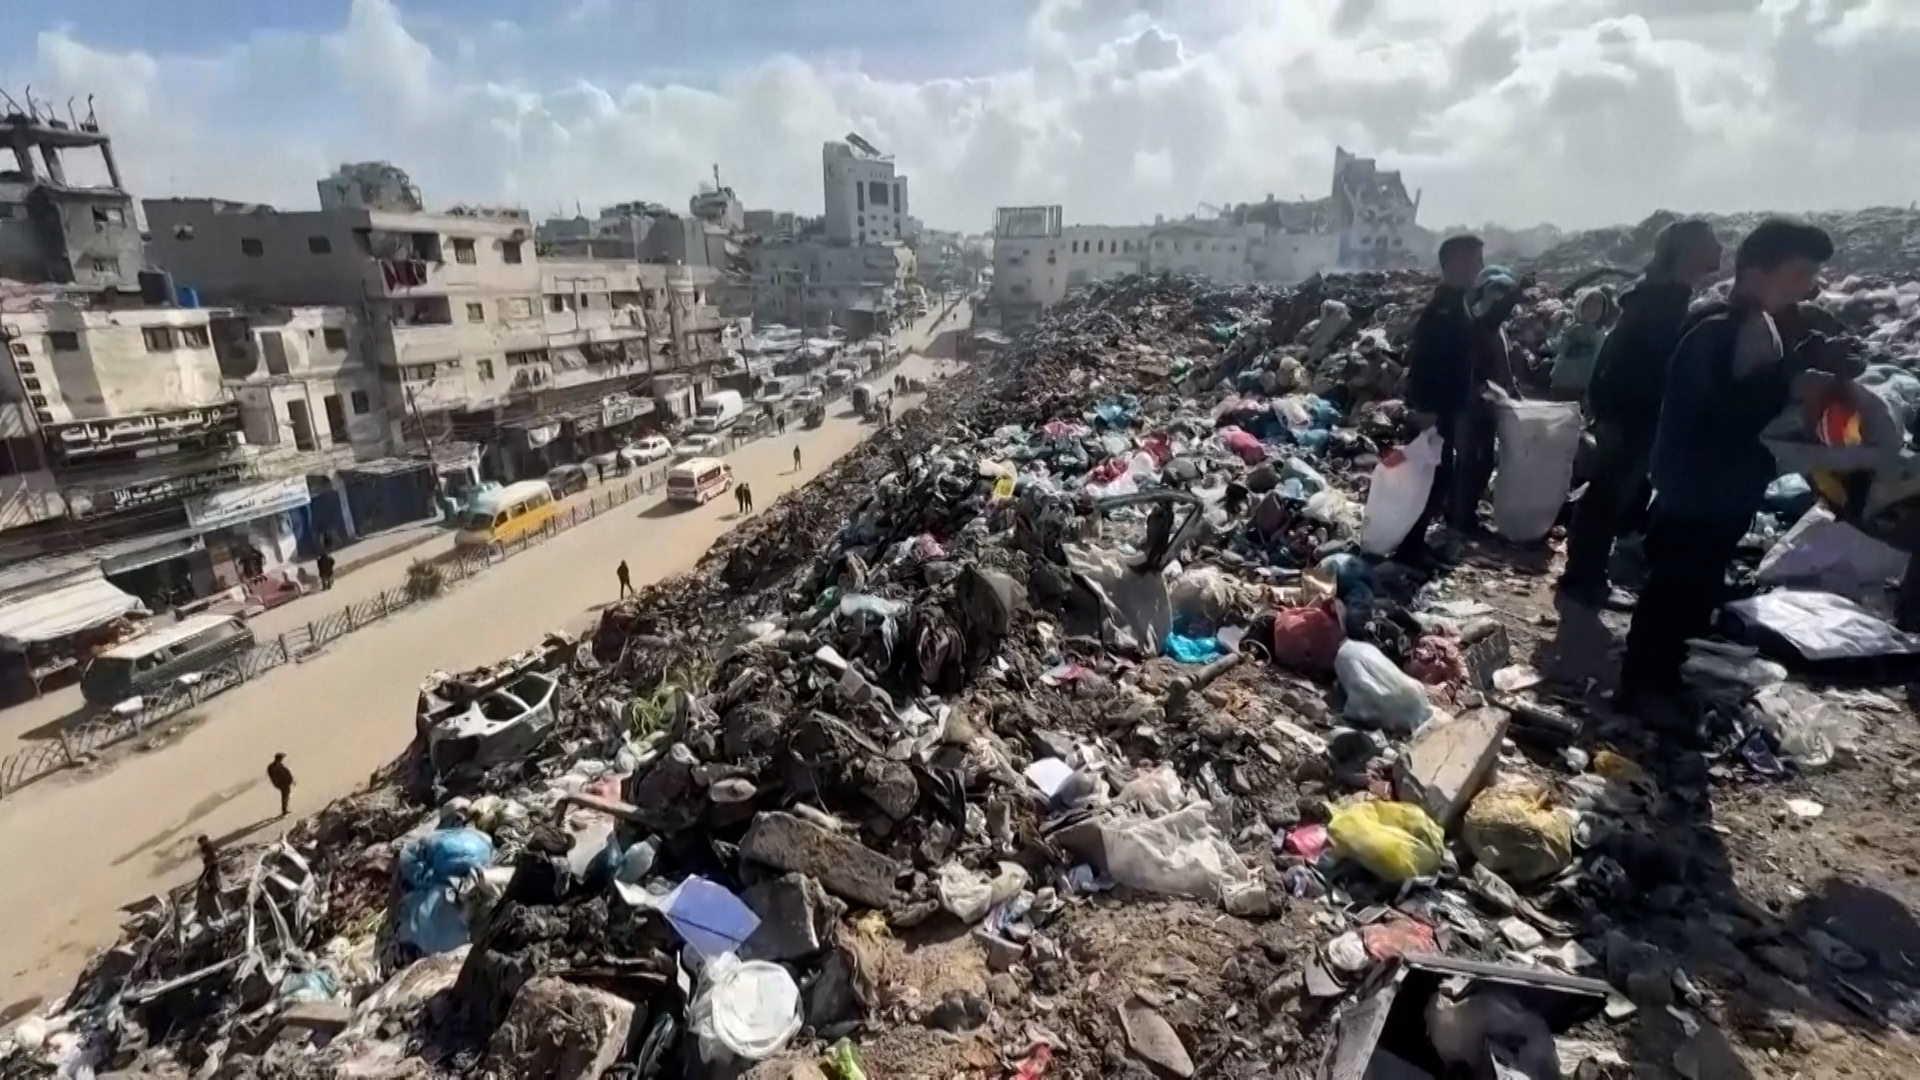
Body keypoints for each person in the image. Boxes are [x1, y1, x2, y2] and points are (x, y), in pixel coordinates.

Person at [1619, 218, 1840, 719]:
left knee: (1695, 591)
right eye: (1799, 273)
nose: (1808, 285)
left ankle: (1666, 680)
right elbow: (1711, 413)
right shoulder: (1715, 328)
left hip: (1727, 488)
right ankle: (1641, 687)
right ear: (1758, 272)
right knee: (1671, 592)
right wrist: (1790, 389)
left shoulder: (1760, 324)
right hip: (1696, 488)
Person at [1559, 220, 1724, 607]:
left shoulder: (1661, 294)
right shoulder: (1662, 298)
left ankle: (1585, 576)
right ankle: (1585, 581)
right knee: (1607, 496)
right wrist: (1611, 412)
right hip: (1631, 413)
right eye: (1711, 242)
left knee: (1609, 495)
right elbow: (1626, 359)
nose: (1720, 248)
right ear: (1688, 251)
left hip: (1630, 412)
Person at [1396, 236, 1486, 561]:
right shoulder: (1443, 310)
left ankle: (1412, 544)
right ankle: (1408, 548)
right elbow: (1425, 361)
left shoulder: (1457, 303)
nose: (1480, 267)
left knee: (1435, 478)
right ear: (1455, 263)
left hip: (1445, 410)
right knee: (1430, 480)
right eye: (1475, 260)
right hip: (1433, 412)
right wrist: (1424, 407)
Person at [1547, 288, 1616, 403]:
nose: (1594, 310)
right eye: (1589, 306)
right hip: (1563, 387)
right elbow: (1558, 349)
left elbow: (1600, 362)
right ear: (1580, 307)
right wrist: (1566, 336)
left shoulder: (1601, 334)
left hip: (1586, 389)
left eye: (1599, 306)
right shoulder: (1570, 330)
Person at [267, 752, 295, 817]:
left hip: (285, 783)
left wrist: (291, 780)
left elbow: (286, 772)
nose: (282, 759)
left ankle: (285, 809)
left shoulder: (279, 765)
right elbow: (273, 776)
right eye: (281, 758)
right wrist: (277, 783)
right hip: (282, 783)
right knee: (285, 795)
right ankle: (284, 810)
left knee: (286, 795)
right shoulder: (273, 766)